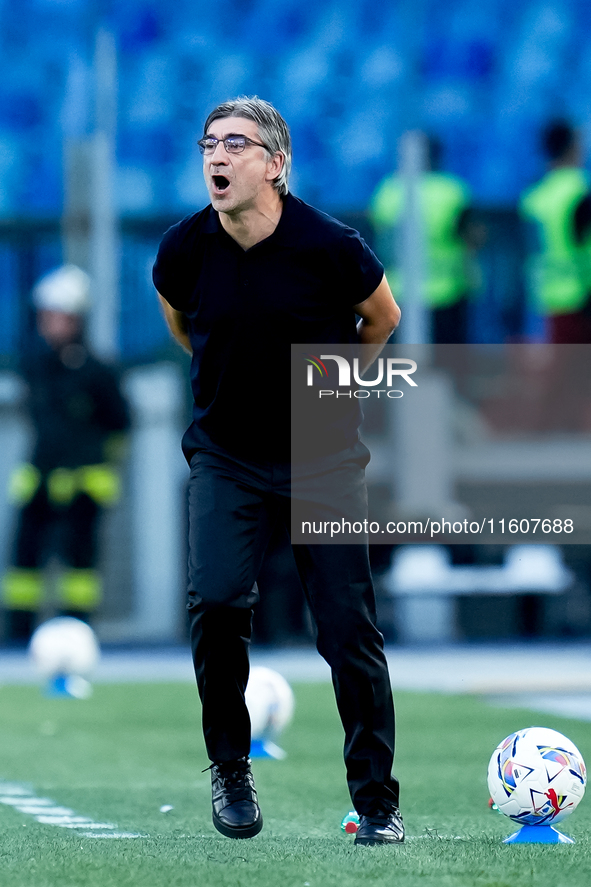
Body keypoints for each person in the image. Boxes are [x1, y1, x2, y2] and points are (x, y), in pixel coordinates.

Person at [153, 96, 403, 845]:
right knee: (218, 602)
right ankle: (231, 768)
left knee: (346, 628)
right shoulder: (182, 248)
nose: (217, 157)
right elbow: (181, 321)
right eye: (208, 144)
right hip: (226, 456)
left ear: (276, 163)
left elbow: (382, 319)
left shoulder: (329, 245)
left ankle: (377, 802)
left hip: (323, 461)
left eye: (235, 144)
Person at [2, 265, 130, 644]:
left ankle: (77, 631)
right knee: (23, 561)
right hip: (38, 478)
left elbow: (120, 424)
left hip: (84, 485)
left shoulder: (98, 370)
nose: (48, 323)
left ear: (75, 318)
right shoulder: (36, 365)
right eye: (44, 315)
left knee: (80, 565)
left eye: (55, 315)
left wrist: (98, 468)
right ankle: (17, 634)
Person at [369, 135, 480, 344]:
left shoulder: (387, 192)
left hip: (397, 292)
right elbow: (471, 238)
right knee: (449, 361)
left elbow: (379, 243)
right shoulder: (451, 191)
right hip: (447, 291)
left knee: (403, 365)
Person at [519, 120, 591, 344]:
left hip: (544, 297)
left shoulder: (533, 198)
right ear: (574, 147)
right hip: (580, 298)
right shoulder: (578, 191)